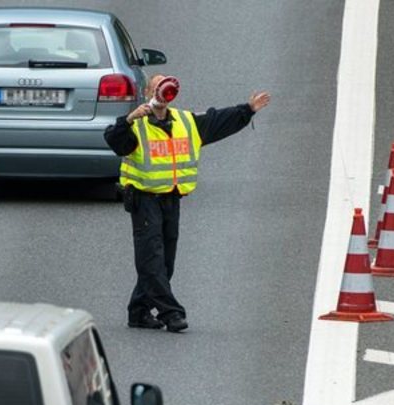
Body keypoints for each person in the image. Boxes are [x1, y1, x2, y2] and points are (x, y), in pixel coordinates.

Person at [105, 75, 271, 332]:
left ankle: (138, 312)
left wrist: (246, 110)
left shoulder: (185, 121)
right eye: (156, 84)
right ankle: (171, 313)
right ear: (148, 91)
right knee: (152, 260)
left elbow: (218, 121)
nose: (162, 89)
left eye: (166, 84)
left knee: (165, 262)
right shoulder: (135, 125)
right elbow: (114, 141)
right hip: (144, 199)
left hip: (172, 199)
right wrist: (127, 119)